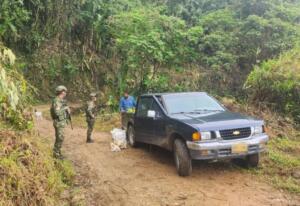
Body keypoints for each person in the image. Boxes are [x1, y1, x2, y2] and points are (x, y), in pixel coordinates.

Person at [50, 85, 70, 159]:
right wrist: (65, 108)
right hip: (58, 122)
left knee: (60, 138)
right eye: (64, 91)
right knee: (59, 138)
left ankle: (58, 152)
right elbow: (57, 112)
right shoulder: (57, 101)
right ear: (62, 92)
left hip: (61, 122)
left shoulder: (60, 101)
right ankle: (56, 154)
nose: (65, 93)